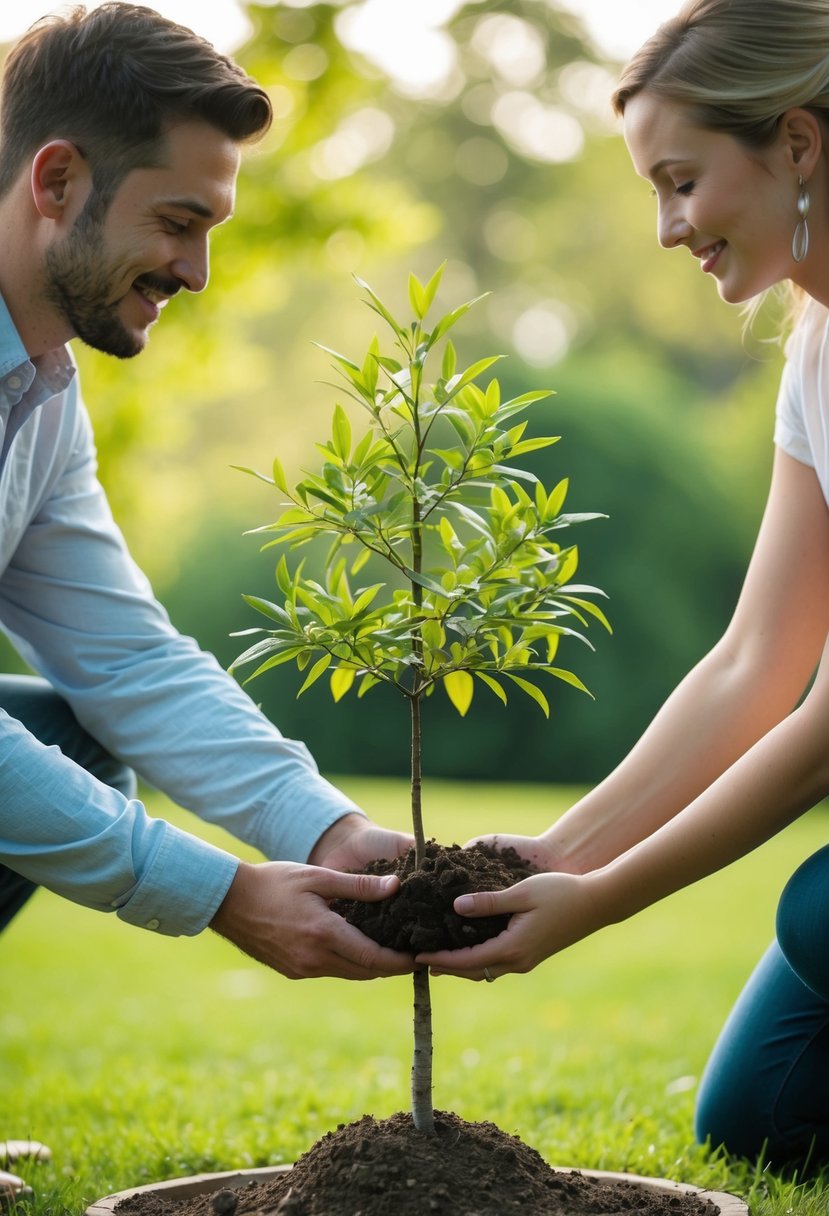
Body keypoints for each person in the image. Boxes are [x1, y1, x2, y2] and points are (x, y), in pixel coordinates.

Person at [0, 5, 415, 1188]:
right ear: (58, 179)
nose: (196, 270)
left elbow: (125, 658)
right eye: (178, 222)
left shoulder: (38, 394)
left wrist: (324, 830)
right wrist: (218, 891)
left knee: (66, 733)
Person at [418, 0, 829, 1171]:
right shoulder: (814, 352)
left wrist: (601, 900)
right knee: (756, 1123)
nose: (666, 228)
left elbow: (821, 728)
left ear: (795, 143)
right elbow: (758, 659)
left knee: (819, 913)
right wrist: (561, 851)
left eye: (682, 180)